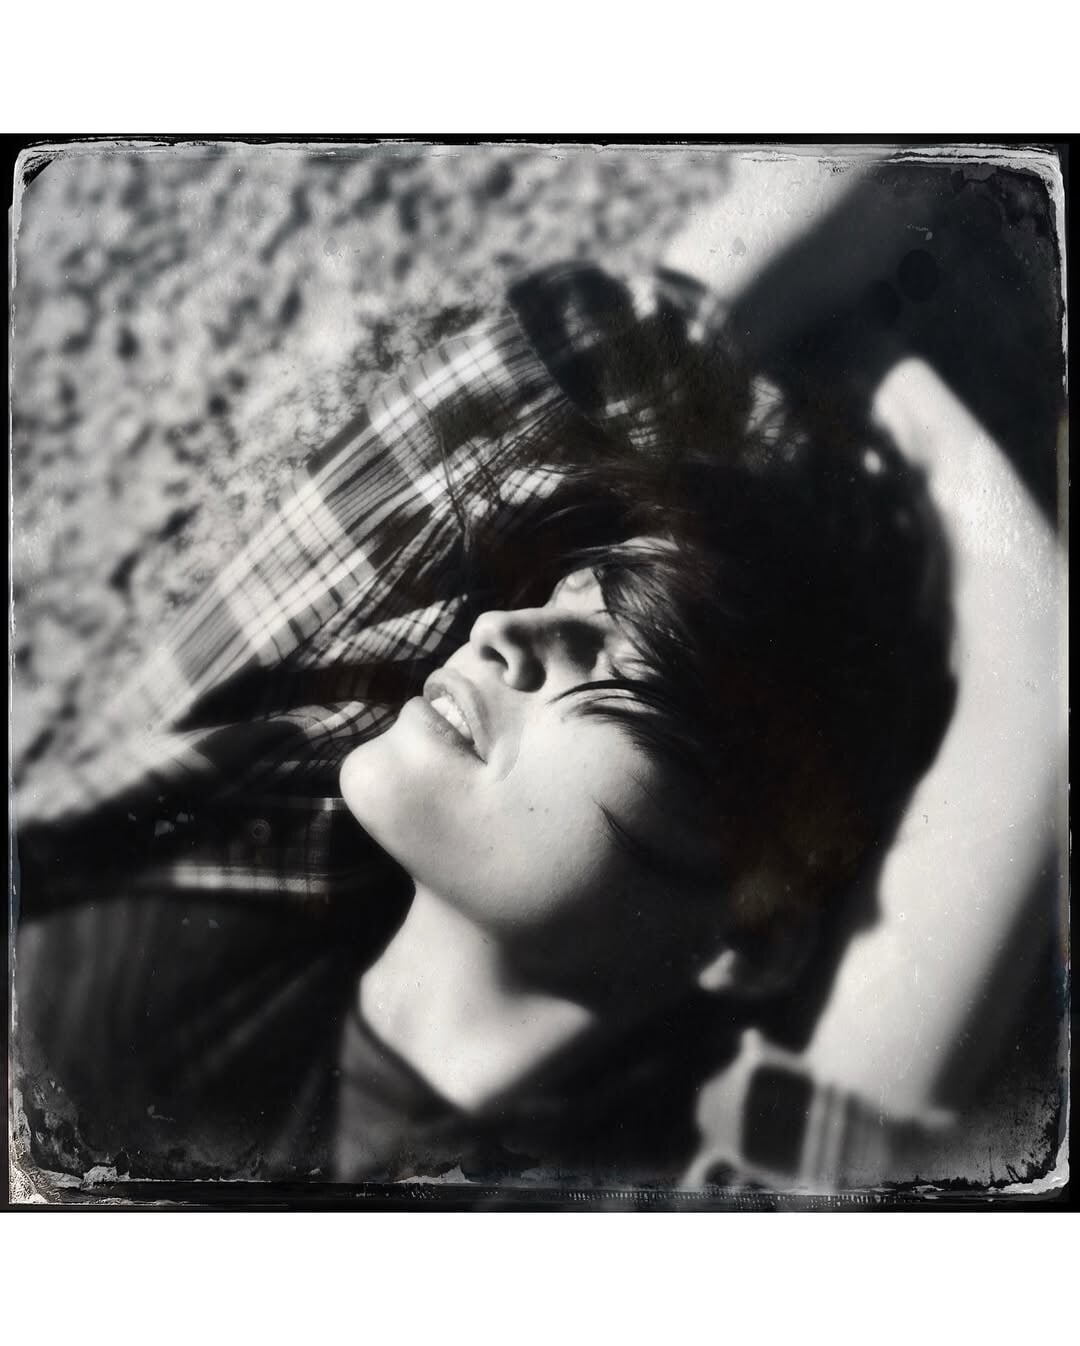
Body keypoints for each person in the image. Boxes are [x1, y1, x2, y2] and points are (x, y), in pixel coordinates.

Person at [9, 259, 1015, 1193]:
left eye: (630, 668)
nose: (500, 628)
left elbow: (1033, 692)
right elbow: (606, 335)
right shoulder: (213, 849)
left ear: (752, 933)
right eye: (564, 595)